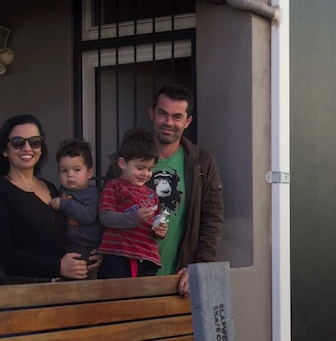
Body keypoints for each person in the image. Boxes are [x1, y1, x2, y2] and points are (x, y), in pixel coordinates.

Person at [0, 115, 89, 282]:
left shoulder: (51, 187)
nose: (27, 147)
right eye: (18, 142)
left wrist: (90, 256)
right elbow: (2, 254)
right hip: (23, 295)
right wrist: (58, 267)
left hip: (63, 292)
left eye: (34, 141)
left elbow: (69, 233)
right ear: (5, 150)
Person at [147, 85, 224, 295]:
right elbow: (108, 212)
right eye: (162, 113)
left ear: (187, 121)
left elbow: (212, 219)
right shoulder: (125, 160)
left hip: (180, 281)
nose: (168, 122)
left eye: (177, 116)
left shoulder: (202, 162)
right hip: (132, 279)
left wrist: (200, 267)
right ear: (152, 113)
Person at [98, 128, 169, 279]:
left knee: (143, 302)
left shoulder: (152, 195)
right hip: (119, 255)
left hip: (149, 258)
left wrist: (160, 231)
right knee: (118, 301)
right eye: (140, 168)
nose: (145, 174)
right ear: (122, 163)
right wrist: (134, 217)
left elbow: (155, 227)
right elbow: (105, 216)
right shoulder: (114, 186)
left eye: (150, 169)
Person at [50, 139, 102, 279]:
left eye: (77, 170)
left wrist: (65, 204)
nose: (70, 175)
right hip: (66, 244)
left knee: (81, 283)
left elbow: (89, 215)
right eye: (64, 171)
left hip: (85, 247)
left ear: (89, 172)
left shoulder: (92, 194)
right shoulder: (61, 190)